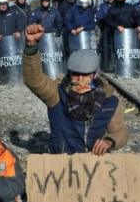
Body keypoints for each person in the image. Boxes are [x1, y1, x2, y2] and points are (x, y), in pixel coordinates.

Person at [22, 24, 129, 154]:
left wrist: (109, 141)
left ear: (95, 74)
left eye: (85, 74)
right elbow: (33, 80)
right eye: (75, 74)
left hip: (94, 162)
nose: (79, 78)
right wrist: (31, 45)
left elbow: (119, 131)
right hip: (63, 162)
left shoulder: (110, 102)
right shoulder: (56, 94)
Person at [96, 0, 116, 72]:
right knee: (105, 48)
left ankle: (116, 65)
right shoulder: (102, 6)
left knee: (115, 47)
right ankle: (105, 66)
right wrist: (104, 21)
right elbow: (99, 17)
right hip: (105, 29)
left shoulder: (117, 6)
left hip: (115, 30)